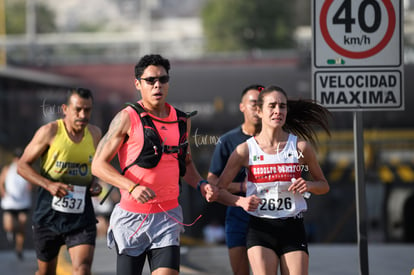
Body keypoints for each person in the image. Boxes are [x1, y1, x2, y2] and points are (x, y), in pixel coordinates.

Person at [91, 54, 216, 275]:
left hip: (167, 216)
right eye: (150, 80)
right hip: (132, 218)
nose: (157, 84)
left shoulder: (181, 120)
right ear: (138, 84)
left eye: (163, 79)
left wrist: (200, 184)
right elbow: (98, 166)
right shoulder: (127, 117)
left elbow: (185, 164)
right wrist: (132, 187)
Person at [206, 85, 331, 275]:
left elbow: (324, 186)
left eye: (282, 106)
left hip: (292, 226)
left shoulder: (300, 147)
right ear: (260, 111)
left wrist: (310, 185)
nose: (278, 111)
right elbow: (218, 190)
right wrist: (240, 201)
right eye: (272, 106)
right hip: (260, 228)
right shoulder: (244, 150)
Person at [17, 88, 102, 275]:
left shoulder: (95, 134)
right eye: (78, 109)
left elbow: (95, 167)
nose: (83, 115)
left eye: (87, 110)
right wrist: (48, 184)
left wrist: (94, 183)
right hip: (48, 215)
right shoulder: (50, 131)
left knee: (82, 269)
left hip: (81, 217)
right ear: (65, 109)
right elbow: (22, 166)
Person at [207, 84, 263, 275]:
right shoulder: (227, 140)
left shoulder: (275, 139)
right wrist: (241, 186)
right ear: (242, 106)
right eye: (253, 103)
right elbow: (212, 182)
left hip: (269, 213)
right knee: (240, 271)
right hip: (237, 211)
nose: (258, 108)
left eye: (262, 104)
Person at [0, 148, 32, 260]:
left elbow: (32, 181)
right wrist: (3, 192)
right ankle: (11, 233)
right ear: (14, 158)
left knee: (22, 225)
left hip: (23, 203)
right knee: (8, 225)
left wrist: (30, 186)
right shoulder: (7, 169)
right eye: (17, 157)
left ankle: (19, 248)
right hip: (10, 202)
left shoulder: (27, 169)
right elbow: (1, 182)